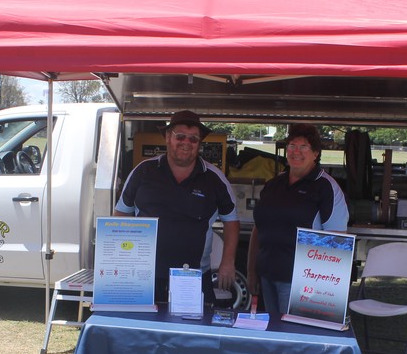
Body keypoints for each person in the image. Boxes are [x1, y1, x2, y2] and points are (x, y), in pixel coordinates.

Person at [114, 110, 240, 303]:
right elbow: (121, 213)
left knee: (193, 332)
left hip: (193, 276)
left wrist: (227, 262)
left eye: (193, 139)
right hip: (144, 274)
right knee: (143, 331)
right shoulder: (143, 171)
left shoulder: (214, 178)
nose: (186, 143)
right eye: (179, 136)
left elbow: (231, 221)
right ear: (167, 137)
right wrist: (121, 258)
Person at [247, 123, 349, 317]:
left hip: (301, 283)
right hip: (267, 274)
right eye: (292, 146)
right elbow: (259, 229)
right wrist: (251, 271)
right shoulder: (274, 184)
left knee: (296, 338)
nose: (296, 152)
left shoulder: (326, 187)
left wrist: (323, 294)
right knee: (274, 335)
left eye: (304, 147)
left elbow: (336, 241)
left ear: (316, 153)